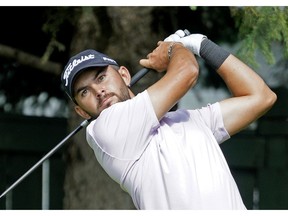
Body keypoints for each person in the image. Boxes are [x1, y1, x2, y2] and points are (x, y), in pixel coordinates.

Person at [61, 29, 277, 209]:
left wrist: (202, 45)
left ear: (125, 76)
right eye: (84, 92)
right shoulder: (104, 131)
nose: (98, 90)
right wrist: (174, 49)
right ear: (81, 112)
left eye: (101, 77)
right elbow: (187, 72)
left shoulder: (190, 121)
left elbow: (261, 97)